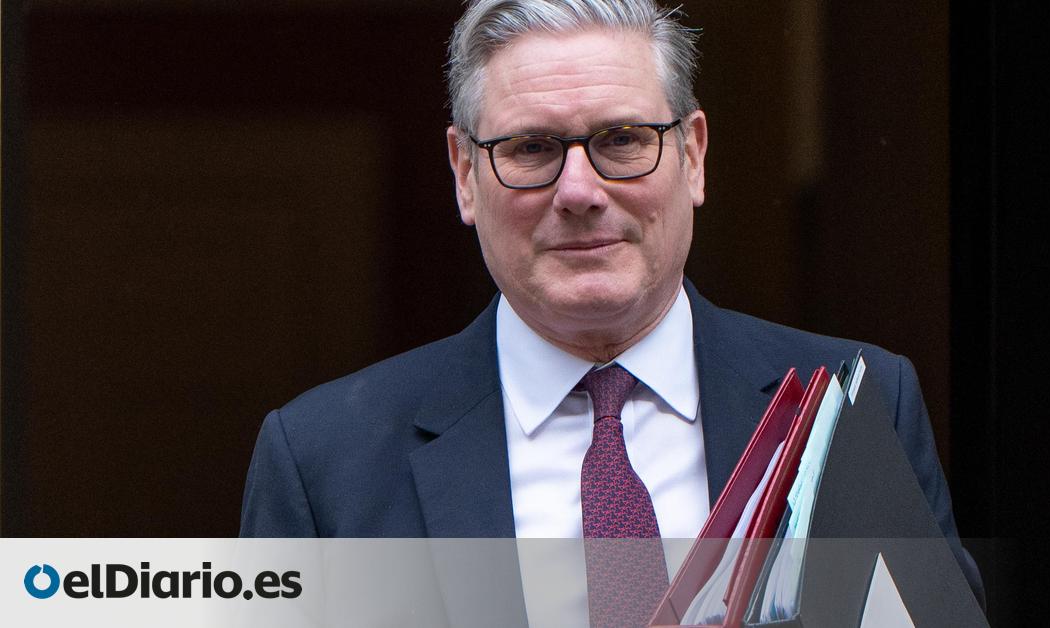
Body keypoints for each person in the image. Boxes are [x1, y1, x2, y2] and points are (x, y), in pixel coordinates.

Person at [240, 0, 983, 624]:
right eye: (532, 148)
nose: (579, 191)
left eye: (622, 140)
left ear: (692, 156)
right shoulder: (325, 462)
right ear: (465, 174)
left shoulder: (855, 406)